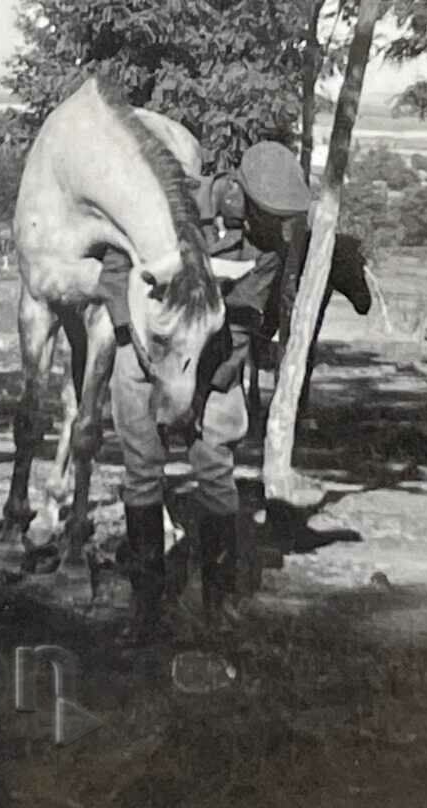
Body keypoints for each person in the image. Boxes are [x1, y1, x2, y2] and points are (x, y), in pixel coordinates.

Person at [100, 140, 311, 643]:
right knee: (142, 474)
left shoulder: (268, 250)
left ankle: (216, 606)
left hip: (214, 365)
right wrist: (134, 336)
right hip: (145, 353)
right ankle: (145, 608)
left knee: (216, 473)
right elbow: (114, 264)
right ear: (235, 191)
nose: (274, 228)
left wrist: (198, 387)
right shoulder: (171, 199)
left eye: (281, 218)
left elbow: (241, 323)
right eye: (265, 214)